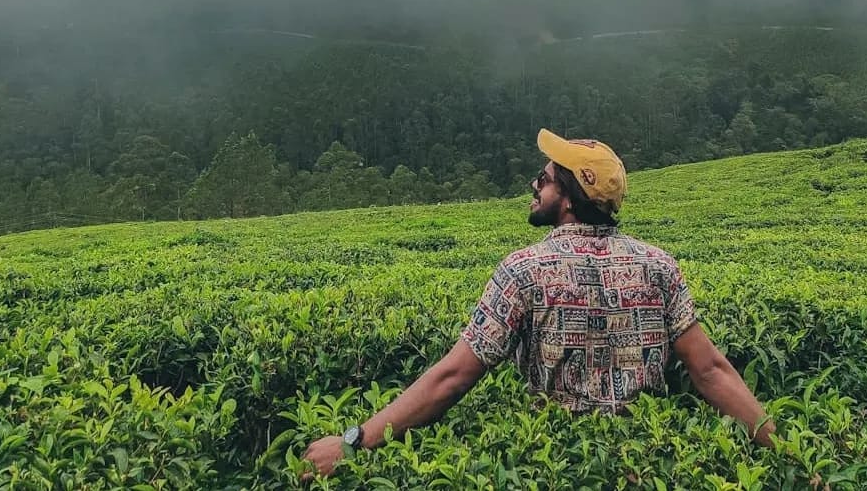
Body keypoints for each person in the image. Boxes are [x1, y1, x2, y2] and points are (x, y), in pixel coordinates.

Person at [303, 128, 776, 479]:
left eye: (544, 179)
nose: (534, 185)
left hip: (557, 464)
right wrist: (788, 452)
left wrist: (354, 442)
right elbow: (710, 370)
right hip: (648, 463)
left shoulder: (524, 270)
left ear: (567, 198)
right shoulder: (659, 266)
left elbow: (453, 377)